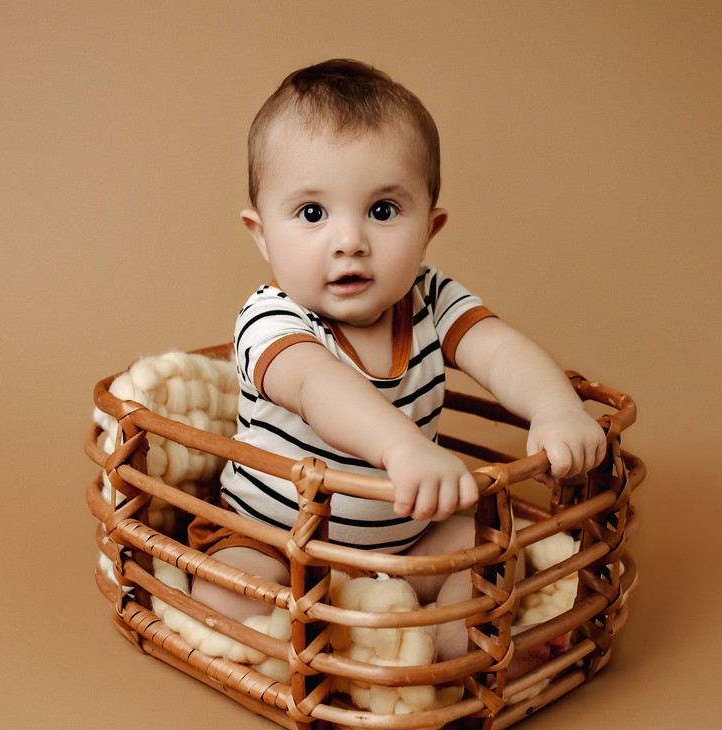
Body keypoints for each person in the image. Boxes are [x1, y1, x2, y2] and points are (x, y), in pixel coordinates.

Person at [190, 59, 606, 662]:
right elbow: (315, 385)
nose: (350, 239)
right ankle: (328, 642)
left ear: (430, 228)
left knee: (486, 545)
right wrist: (401, 448)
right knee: (229, 591)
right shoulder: (271, 318)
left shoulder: (430, 297)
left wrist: (554, 408)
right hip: (276, 537)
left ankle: (447, 647)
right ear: (260, 234)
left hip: (406, 536)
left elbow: (499, 347)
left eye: (383, 211)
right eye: (312, 213)